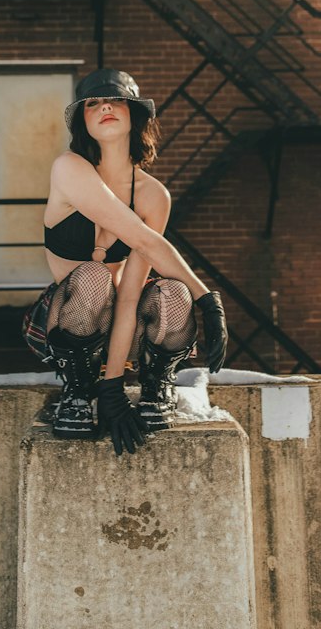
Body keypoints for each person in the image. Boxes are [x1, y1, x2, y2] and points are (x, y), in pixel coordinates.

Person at [22, 68, 229, 457]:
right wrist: (210, 300)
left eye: (115, 101)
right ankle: (78, 391)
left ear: (134, 114)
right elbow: (139, 237)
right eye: (94, 103)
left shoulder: (154, 196)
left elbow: (131, 297)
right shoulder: (69, 168)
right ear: (83, 120)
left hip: (125, 327)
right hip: (68, 325)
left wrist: (114, 387)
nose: (105, 108)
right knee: (94, 276)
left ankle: (154, 385)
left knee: (172, 291)